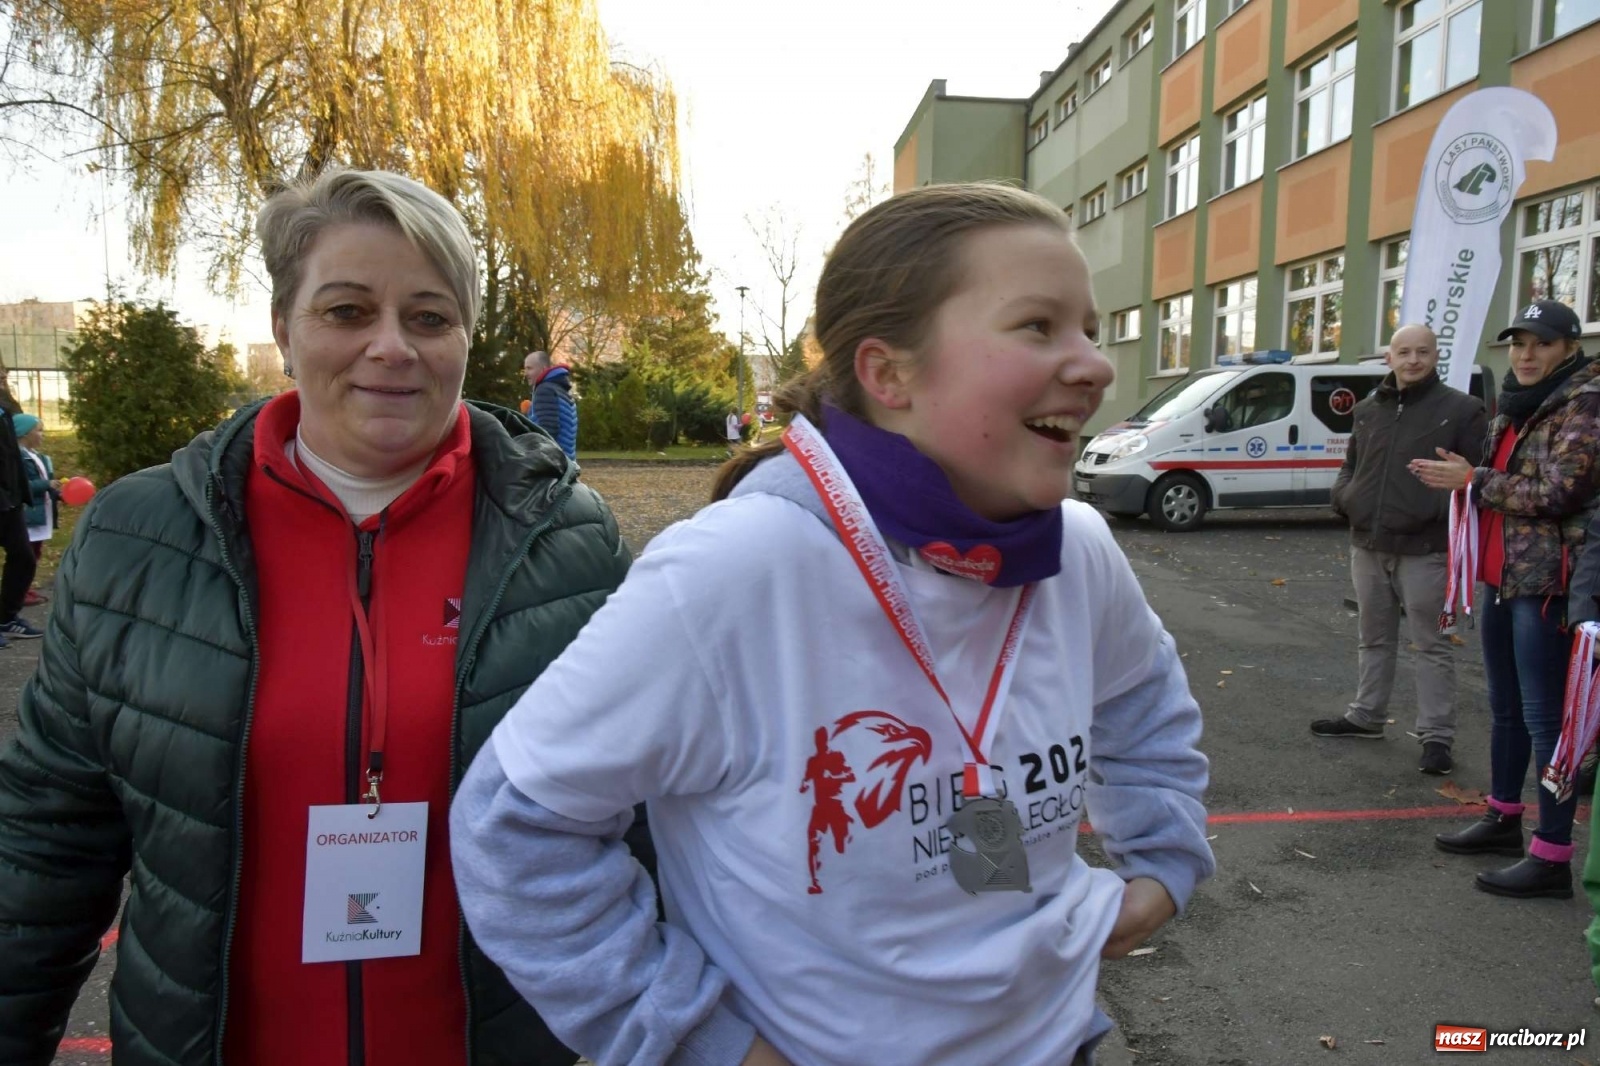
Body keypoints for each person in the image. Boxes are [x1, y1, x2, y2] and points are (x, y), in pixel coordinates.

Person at [450, 182, 1215, 1066]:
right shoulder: (738, 569)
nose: (1095, 364)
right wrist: (702, 1040)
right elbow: (515, 825)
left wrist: (1162, 861)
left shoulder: (1075, 550)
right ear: (888, 374)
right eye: (1039, 327)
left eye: (1089, 326)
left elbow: (1142, 705)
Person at [0, 168, 633, 1065]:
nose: (391, 347)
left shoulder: (570, 543)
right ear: (282, 331)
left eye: (428, 316)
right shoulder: (138, 537)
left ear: (463, 336)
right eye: (345, 312)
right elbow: (46, 841)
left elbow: (641, 831)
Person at [1414, 299, 1600, 899]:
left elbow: (1560, 491)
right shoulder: (1519, 404)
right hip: (1502, 574)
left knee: (1548, 719)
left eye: (1540, 344)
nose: (1524, 355)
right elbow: (1505, 483)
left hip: (1545, 585)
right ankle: (1502, 818)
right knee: (1506, 708)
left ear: (1569, 349)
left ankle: (1552, 856)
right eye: (1518, 343)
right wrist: (1470, 475)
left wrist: (1474, 480)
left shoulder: (1585, 404)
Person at [1312, 324, 1486, 775]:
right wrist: (1345, 499)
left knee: (1430, 645)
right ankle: (1366, 716)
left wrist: (1430, 511)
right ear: (1389, 357)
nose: (1413, 360)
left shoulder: (1462, 410)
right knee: (1373, 637)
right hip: (1368, 544)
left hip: (1425, 548)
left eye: (1422, 352)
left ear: (1435, 356)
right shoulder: (1369, 409)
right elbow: (1351, 465)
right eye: (1404, 352)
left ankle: (1436, 737)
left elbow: (1475, 478)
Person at [0, 364, 39, 646]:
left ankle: (6, 618)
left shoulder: (5, 409)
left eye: (3, 374)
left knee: (23, 558)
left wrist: (20, 491)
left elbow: (12, 456)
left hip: (9, 499)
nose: (3, 378)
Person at [15, 412, 59, 606]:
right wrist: (47, 484)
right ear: (24, 433)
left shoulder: (39, 457)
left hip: (42, 512)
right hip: (29, 513)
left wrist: (59, 493)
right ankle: (20, 591)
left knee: (35, 554)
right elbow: (22, 486)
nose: (42, 435)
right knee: (26, 556)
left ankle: (26, 588)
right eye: (39, 431)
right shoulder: (18, 458)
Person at [523, 349, 578, 460]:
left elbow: (548, 430)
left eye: (530, 368)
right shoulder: (560, 389)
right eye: (525, 369)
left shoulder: (544, 390)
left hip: (553, 463)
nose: (526, 373)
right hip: (567, 460)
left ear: (543, 369)